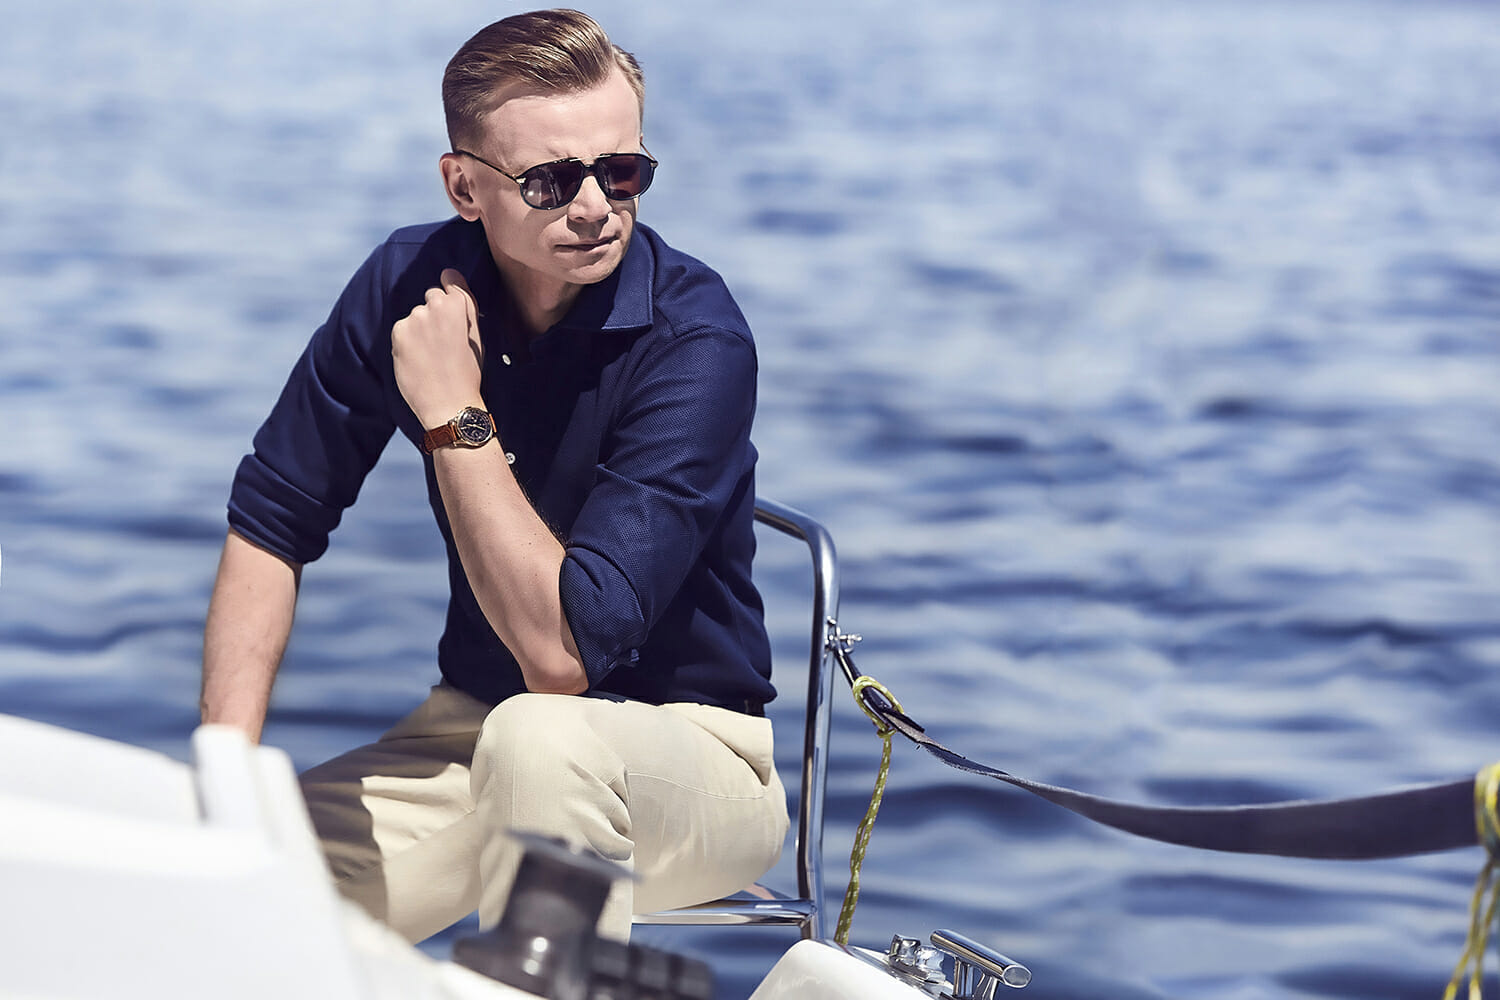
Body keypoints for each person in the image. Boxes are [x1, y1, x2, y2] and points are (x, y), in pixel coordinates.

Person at [199, 8, 788, 944]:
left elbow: (561, 660)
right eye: (550, 181)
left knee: (541, 736)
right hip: (472, 733)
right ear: (464, 186)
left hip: (695, 755)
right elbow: (272, 522)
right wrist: (226, 778)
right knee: (222, 894)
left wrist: (453, 415)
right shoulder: (407, 285)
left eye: (622, 171)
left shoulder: (698, 342)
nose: (594, 206)